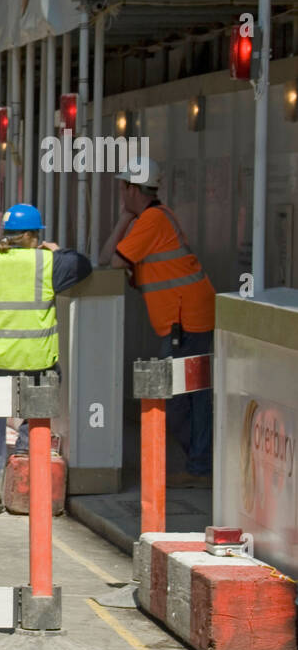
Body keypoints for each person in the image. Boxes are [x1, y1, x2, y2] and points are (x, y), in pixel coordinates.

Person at [0, 204, 92, 513]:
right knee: (36, 411)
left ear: (5, 236)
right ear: (35, 236)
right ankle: (24, 466)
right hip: (34, 361)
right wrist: (57, 250)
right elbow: (82, 265)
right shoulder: (48, 263)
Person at [99, 158, 215, 487]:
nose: (121, 194)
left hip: (186, 320)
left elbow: (112, 260)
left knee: (180, 399)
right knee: (191, 396)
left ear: (132, 189)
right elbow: (109, 260)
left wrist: (123, 219)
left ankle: (201, 467)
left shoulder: (151, 221)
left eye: (123, 188)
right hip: (185, 318)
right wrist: (126, 216)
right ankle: (201, 465)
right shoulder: (154, 218)